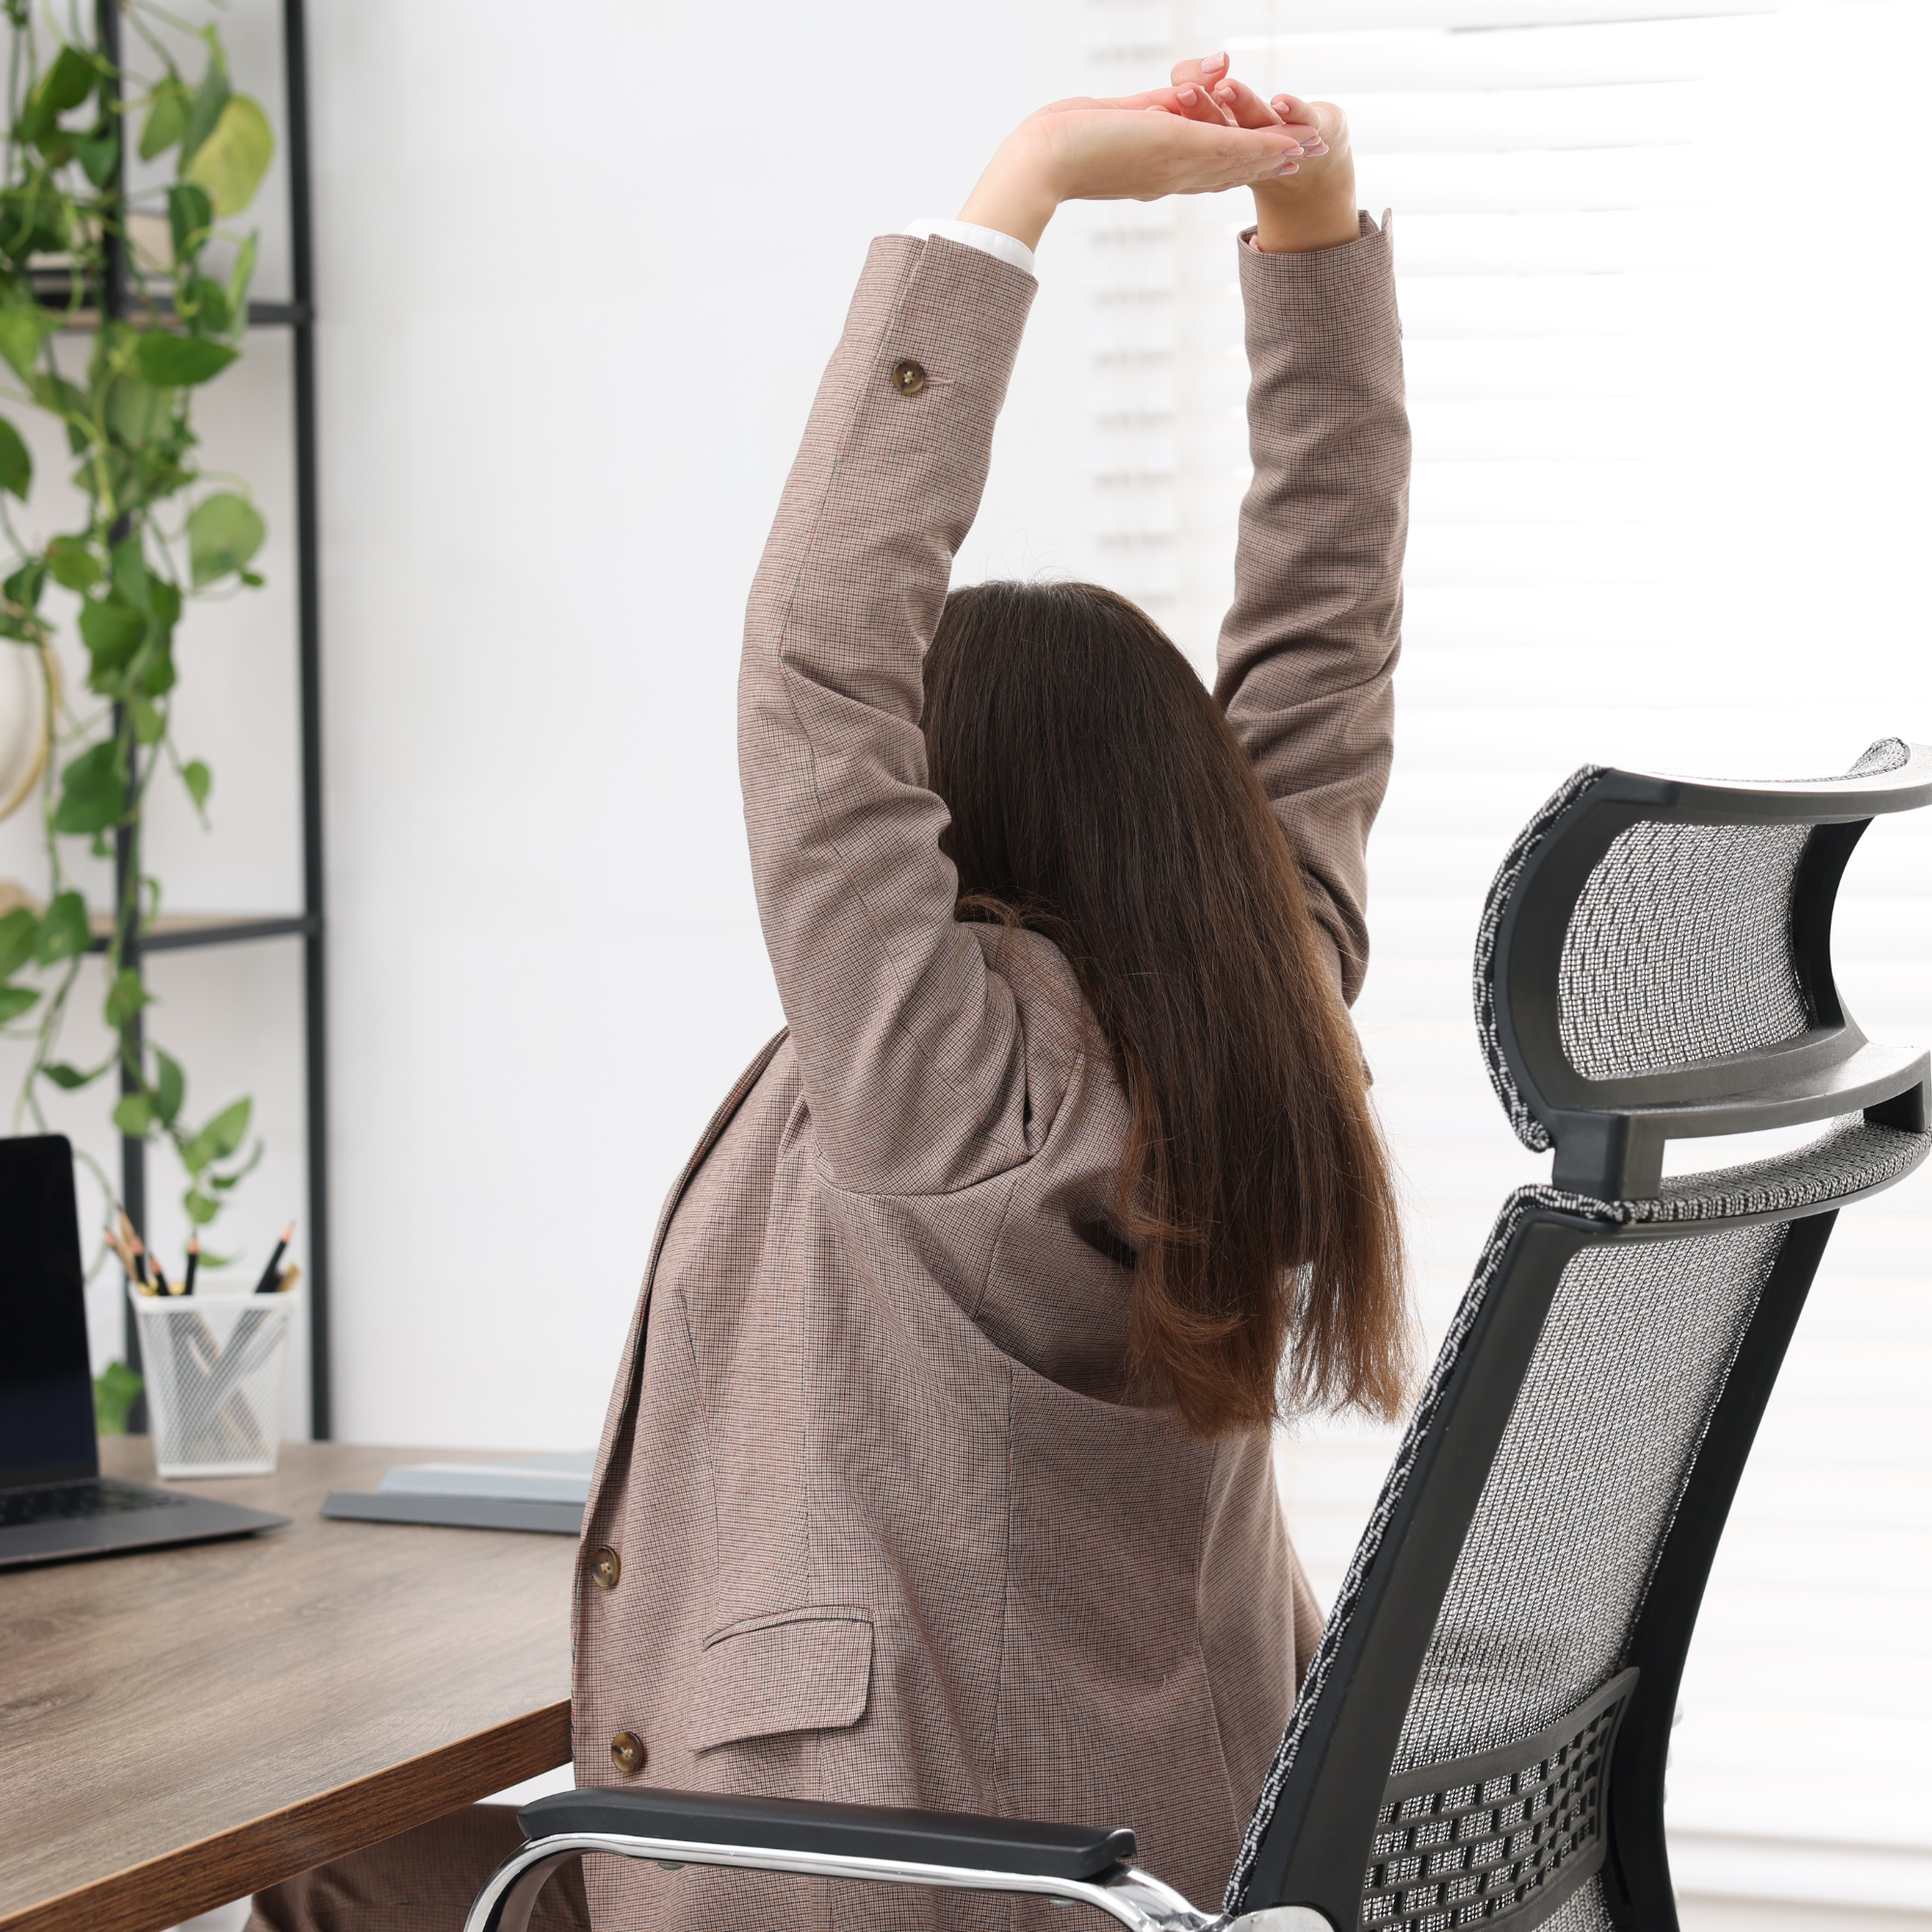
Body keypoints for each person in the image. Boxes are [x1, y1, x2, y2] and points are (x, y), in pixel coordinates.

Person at [252, 50, 1410, 1932]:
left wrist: (1014, 193)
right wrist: (1309, 214)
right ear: (1190, 817)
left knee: (307, 1877)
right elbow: (1323, 620)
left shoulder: (960, 1077)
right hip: (1164, 1864)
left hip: (893, 1879)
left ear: (940, 811)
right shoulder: (1255, 1014)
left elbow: (816, 665)